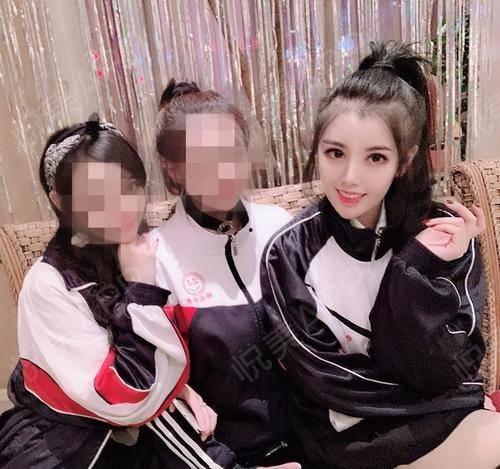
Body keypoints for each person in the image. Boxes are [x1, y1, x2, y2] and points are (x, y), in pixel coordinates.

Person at [0, 114, 298, 469]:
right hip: (74, 447)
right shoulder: (50, 283)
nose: (121, 207)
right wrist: (141, 291)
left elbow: (159, 370)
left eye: (128, 187)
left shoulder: (133, 250)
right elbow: (129, 397)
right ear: (61, 202)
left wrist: (180, 389)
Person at [260, 41, 500, 468]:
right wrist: (451, 399)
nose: (350, 177)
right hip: (345, 435)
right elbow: (328, 381)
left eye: (375, 157)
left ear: (403, 162)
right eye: (335, 153)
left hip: (434, 417)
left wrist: (418, 271)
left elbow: (457, 363)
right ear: (317, 150)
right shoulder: (288, 253)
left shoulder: (445, 233)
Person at [153, 80, 302, 467]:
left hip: (317, 439)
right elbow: (158, 396)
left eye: (232, 152)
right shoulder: (156, 258)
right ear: (174, 168)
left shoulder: (279, 227)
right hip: (229, 456)